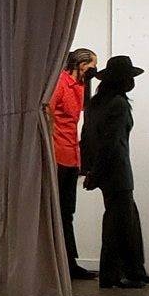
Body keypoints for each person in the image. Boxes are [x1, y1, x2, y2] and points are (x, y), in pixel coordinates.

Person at [82, 55, 149, 290]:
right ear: (121, 81)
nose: (132, 82)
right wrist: (95, 172)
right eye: (129, 78)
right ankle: (112, 276)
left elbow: (87, 137)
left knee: (126, 220)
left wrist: (90, 169)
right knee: (117, 224)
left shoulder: (97, 103)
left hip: (108, 170)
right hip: (115, 170)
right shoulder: (117, 104)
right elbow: (112, 143)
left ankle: (135, 271)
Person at [49, 49, 96, 281]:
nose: (93, 71)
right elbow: (48, 113)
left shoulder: (79, 87)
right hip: (59, 154)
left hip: (71, 154)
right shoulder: (61, 83)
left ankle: (69, 262)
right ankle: (63, 262)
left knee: (68, 211)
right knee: (60, 211)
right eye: (91, 65)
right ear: (81, 63)